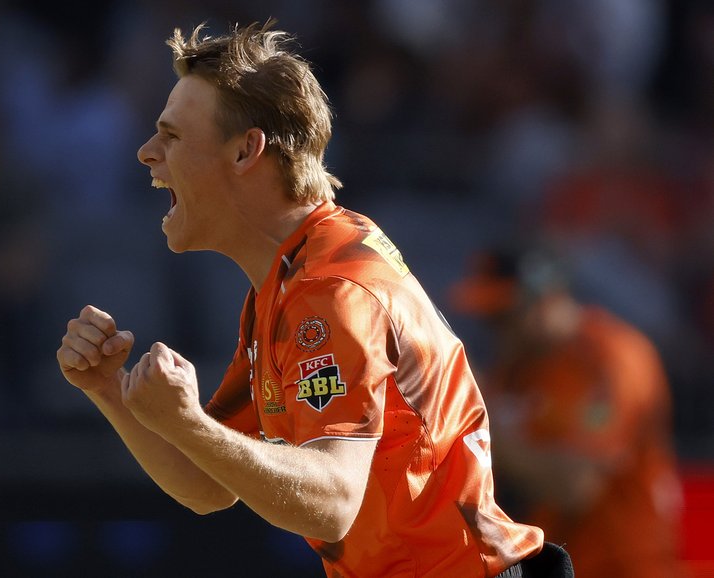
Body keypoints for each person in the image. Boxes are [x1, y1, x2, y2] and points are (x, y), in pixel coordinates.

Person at [57, 21, 570, 577]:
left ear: (246, 150)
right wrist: (109, 390)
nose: (146, 153)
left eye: (173, 136)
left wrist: (186, 423)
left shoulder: (329, 291)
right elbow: (207, 485)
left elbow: (332, 504)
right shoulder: (291, 279)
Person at [449, 245, 688, 578]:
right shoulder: (515, 367)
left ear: (546, 300)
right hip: (559, 562)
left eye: (505, 315)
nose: (496, 329)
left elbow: (576, 486)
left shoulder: (611, 358)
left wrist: (474, 417)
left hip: (626, 564)